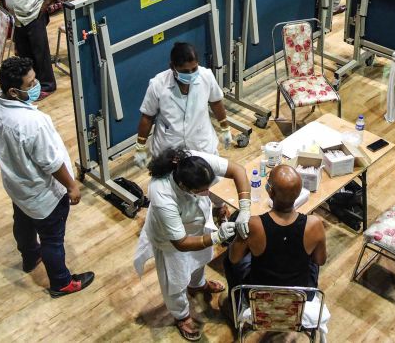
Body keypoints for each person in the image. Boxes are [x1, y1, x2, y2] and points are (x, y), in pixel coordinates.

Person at [0, 56, 94, 297]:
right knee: (52, 239)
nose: (37, 86)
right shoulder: (33, 123)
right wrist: (72, 186)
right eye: (30, 84)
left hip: (16, 185)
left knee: (22, 222)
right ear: (13, 91)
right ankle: (61, 283)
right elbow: (51, 163)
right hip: (44, 193)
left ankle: (30, 257)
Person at [133, 147, 248, 341]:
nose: (208, 192)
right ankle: (181, 315)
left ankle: (197, 285)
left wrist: (244, 207)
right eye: (202, 190)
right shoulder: (162, 194)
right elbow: (181, 243)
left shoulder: (194, 162)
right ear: (185, 188)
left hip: (195, 225)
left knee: (200, 259)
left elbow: (238, 170)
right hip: (170, 241)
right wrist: (214, 238)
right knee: (175, 282)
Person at [224, 164, 328, 329]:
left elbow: (233, 258)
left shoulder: (254, 224)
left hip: (259, 296)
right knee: (312, 256)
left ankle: (233, 304)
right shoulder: (314, 224)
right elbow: (320, 260)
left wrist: (238, 235)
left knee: (228, 259)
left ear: (270, 191)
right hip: (300, 295)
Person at [133, 41, 233, 166]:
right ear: (172, 67)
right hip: (168, 149)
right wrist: (140, 147)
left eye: (194, 69)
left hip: (201, 145)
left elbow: (216, 102)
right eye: (185, 71)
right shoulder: (158, 85)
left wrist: (225, 127)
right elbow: (147, 117)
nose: (191, 74)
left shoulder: (206, 76)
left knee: (202, 181)